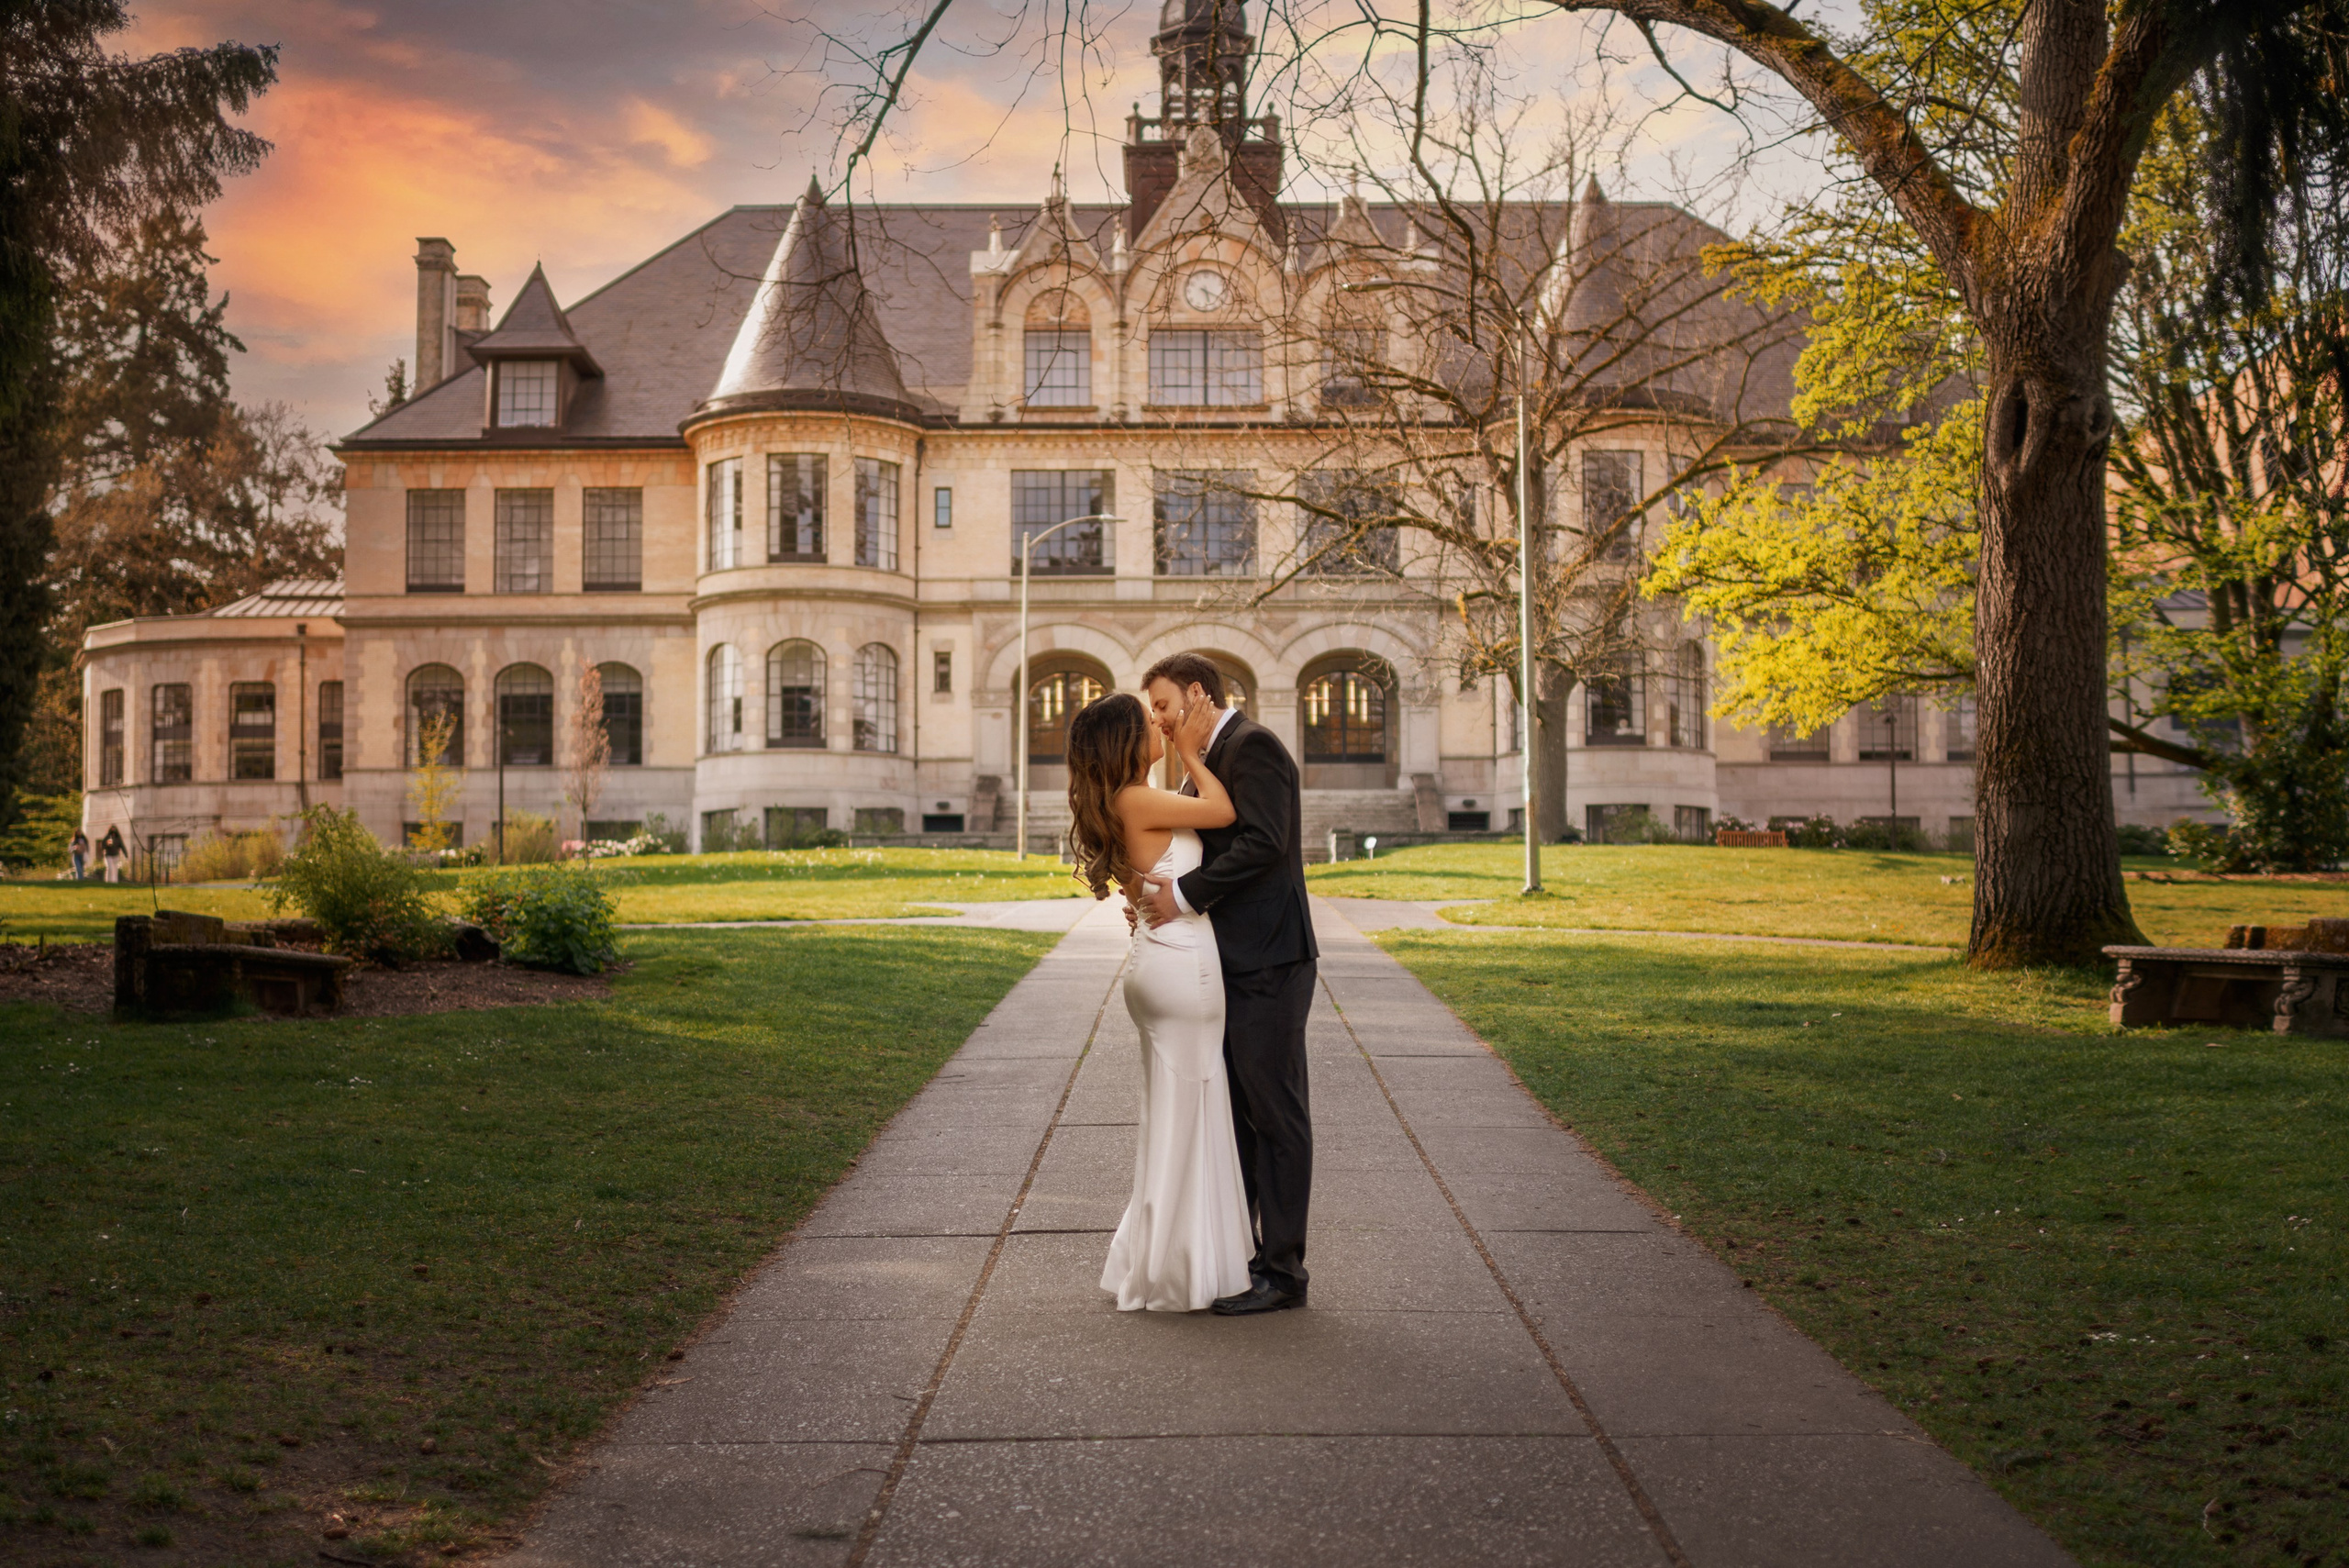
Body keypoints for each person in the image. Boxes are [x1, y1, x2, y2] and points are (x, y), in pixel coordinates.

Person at [1130, 651, 1319, 1316]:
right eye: (1152, 708)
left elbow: (1265, 843)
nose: (1155, 717)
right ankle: (1240, 1257)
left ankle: (1284, 1271)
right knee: (1239, 1119)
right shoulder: (1203, 763)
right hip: (1227, 964)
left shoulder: (1254, 746)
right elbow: (1193, 840)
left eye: (1161, 703)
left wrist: (1181, 896)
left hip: (1270, 960)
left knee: (1276, 1114)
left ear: (1197, 694)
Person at [1063, 690, 1253, 1312]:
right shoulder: (1136, 798)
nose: (1159, 721)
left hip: (1162, 960)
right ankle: (1183, 1269)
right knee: (1190, 1111)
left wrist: (1178, 754)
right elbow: (1222, 810)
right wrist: (1191, 749)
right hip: (1178, 968)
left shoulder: (1130, 799)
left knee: (1181, 1114)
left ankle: (1174, 1258)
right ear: (1126, 740)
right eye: (1149, 721)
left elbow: (1170, 849)